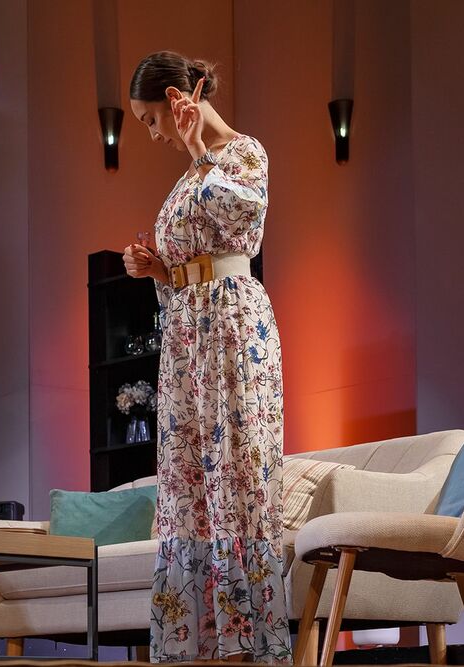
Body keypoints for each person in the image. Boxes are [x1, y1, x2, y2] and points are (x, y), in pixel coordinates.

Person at [122, 52, 289, 663]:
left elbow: (244, 212)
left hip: (232, 329)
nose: (154, 134)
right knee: (189, 482)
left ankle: (246, 643)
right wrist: (156, 270)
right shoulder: (186, 177)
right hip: (187, 338)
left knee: (233, 475)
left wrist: (198, 150)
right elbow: (190, 261)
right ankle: (202, 646)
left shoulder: (244, 152)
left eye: (150, 120)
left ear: (176, 100)